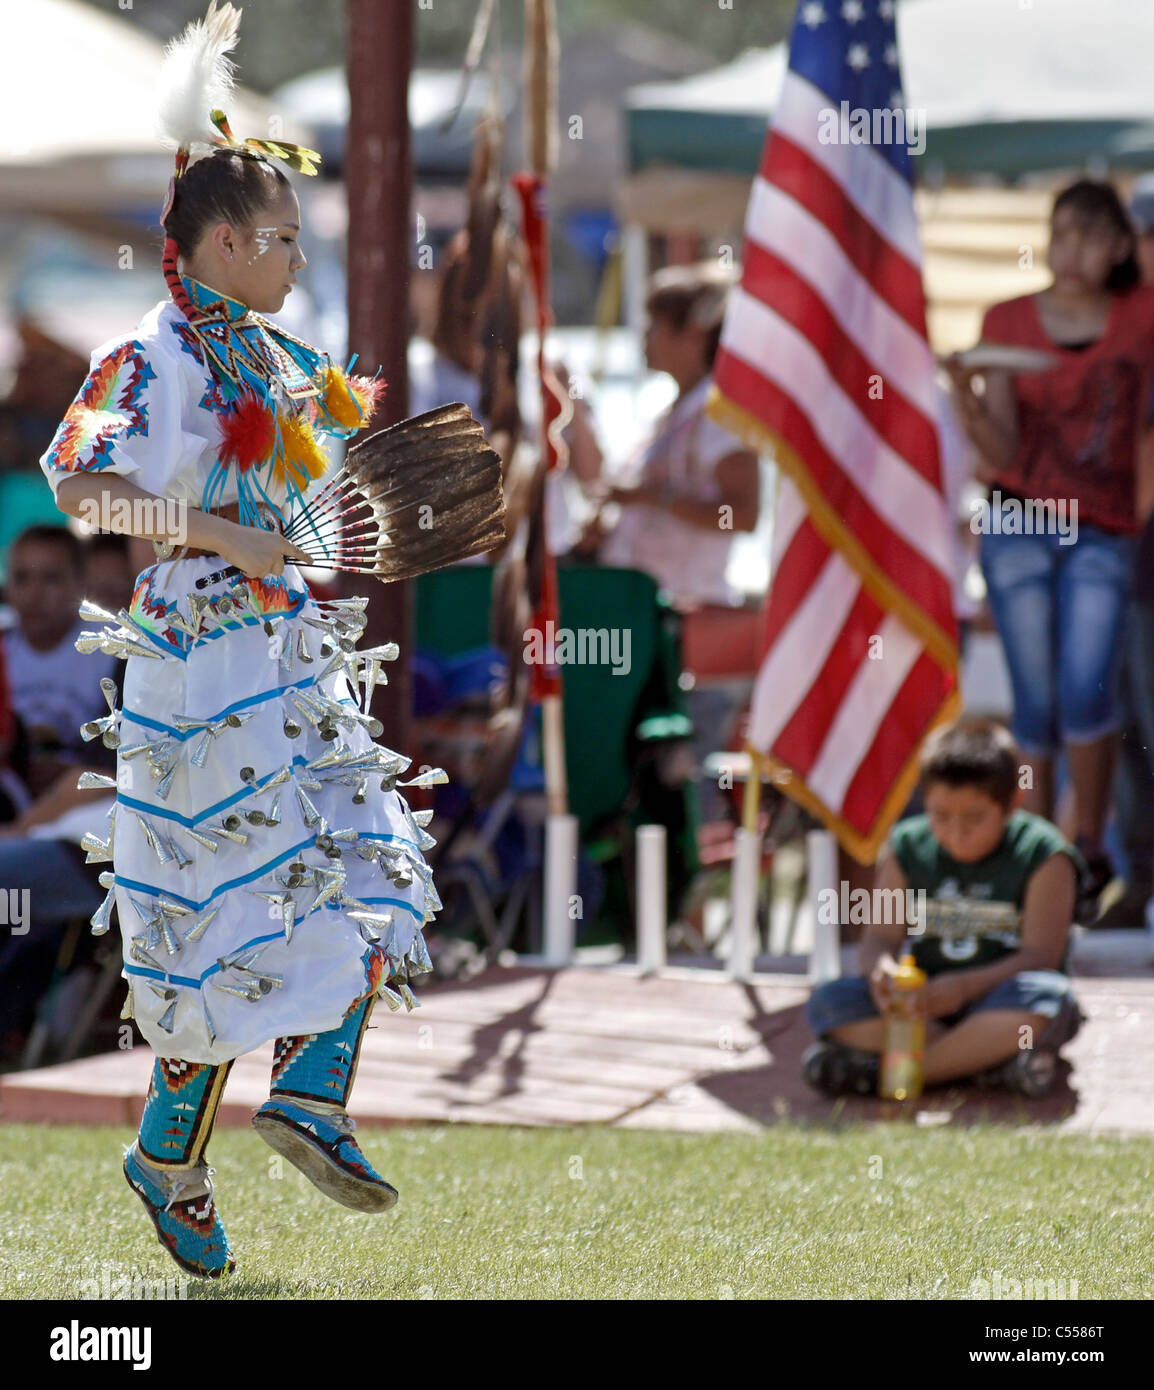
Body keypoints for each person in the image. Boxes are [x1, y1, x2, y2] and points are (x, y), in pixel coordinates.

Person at [38, 3, 439, 1279]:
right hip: (193, 658)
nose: (295, 257)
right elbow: (81, 492)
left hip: (291, 650)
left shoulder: (283, 364)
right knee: (226, 912)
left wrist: (290, 548)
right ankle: (170, 1153)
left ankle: (308, 1097)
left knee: (377, 856)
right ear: (219, 239)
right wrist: (216, 526)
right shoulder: (140, 357)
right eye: (280, 238)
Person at [945, 179, 1154, 916]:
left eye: (1093, 235)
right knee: (1034, 703)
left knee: (1087, 690)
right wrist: (966, 391)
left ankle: (1088, 844)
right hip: (1015, 523)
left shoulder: (1139, 316)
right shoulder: (1007, 319)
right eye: (1062, 232)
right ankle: (1035, 859)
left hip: (1102, 526)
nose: (1073, 250)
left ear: (1120, 247)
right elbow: (998, 444)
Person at [802, 718, 1084, 1100]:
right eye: (941, 816)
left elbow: (1041, 957)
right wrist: (882, 973)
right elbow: (879, 940)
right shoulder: (907, 846)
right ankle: (983, 1065)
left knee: (1048, 999)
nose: (955, 832)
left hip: (999, 1002)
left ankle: (897, 1073)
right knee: (831, 1002)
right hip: (924, 1006)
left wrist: (966, 987)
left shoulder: (1043, 854)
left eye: (973, 818)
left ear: (1012, 803)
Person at [582, 262, 761, 820]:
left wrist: (649, 500)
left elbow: (743, 515)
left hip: (685, 638)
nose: (645, 338)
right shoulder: (683, 412)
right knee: (657, 792)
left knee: (688, 799)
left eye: (657, 324)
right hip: (655, 633)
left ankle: (689, 904)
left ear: (695, 334)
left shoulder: (719, 415)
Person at [0, 525, 119, 800]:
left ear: (82, 583)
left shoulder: (113, 648)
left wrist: (76, 770)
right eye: (21, 578)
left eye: (51, 579)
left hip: (89, 801)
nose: (34, 593)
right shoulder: (3, 647)